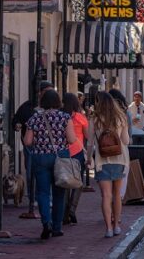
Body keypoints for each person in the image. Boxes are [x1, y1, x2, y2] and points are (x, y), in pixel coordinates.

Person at [23, 89, 77, 239]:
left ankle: (46, 222)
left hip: (41, 157)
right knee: (59, 193)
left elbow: (27, 141)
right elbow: (72, 139)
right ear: (58, 102)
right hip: (60, 157)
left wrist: (39, 141)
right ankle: (57, 227)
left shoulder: (35, 118)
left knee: (42, 192)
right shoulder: (65, 117)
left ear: (43, 102)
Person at [86, 91, 130, 238]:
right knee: (117, 195)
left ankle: (108, 229)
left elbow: (90, 142)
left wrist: (88, 158)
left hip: (102, 161)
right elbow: (126, 141)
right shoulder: (121, 117)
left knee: (106, 195)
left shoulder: (95, 119)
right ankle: (117, 225)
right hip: (119, 159)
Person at [12, 81, 55, 212]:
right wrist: (17, 125)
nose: (49, 94)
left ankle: (46, 197)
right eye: (47, 91)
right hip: (31, 146)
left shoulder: (55, 108)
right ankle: (33, 198)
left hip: (48, 146)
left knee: (49, 173)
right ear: (40, 92)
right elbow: (16, 120)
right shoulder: (27, 107)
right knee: (31, 171)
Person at [62, 92, 88, 225]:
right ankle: (72, 208)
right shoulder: (80, 117)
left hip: (64, 152)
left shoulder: (61, 117)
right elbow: (87, 135)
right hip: (77, 151)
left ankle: (64, 213)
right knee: (78, 182)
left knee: (65, 181)